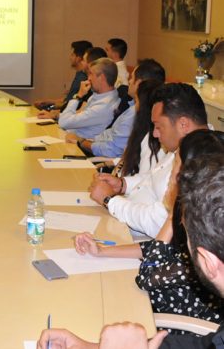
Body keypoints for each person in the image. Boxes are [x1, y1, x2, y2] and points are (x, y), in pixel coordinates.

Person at [38, 153, 224, 349]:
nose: (171, 183)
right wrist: (86, 347)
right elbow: (199, 345)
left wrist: (172, 215)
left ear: (209, 262)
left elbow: (148, 276)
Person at [74, 130, 224, 331]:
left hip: (172, 330)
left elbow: (147, 276)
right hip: (149, 309)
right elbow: (160, 250)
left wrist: (171, 214)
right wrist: (101, 251)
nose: (170, 179)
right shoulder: (195, 217)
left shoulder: (204, 236)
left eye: (174, 169)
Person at [89, 83, 208, 238]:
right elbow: (152, 178)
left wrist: (109, 200)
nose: (155, 134)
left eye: (158, 127)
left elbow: (158, 223)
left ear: (183, 124)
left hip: (139, 238)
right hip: (124, 220)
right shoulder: (183, 146)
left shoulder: (202, 163)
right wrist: (123, 185)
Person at [67, 58, 166, 158]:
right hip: (97, 147)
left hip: (104, 159)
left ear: (139, 84)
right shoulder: (132, 106)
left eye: (132, 78)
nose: (129, 81)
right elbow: (109, 135)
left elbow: (112, 150)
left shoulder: (136, 115)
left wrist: (82, 142)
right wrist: (84, 139)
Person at [37, 46, 106, 121]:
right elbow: (79, 109)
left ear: (91, 64)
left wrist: (56, 114)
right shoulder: (89, 84)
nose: (81, 62)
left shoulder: (90, 84)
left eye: (83, 60)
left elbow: (80, 115)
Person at [57, 58, 120, 139]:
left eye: (91, 74)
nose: (88, 78)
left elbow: (64, 123)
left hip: (75, 143)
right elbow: (75, 116)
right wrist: (57, 116)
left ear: (101, 77)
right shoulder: (100, 95)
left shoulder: (103, 106)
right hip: (69, 134)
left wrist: (78, 96)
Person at [33, 40, 92, 110]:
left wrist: (51, 108)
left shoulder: (83, 78)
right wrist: (49, 102)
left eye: (72, 55)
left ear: (78, 59)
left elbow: (72, 105)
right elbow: (68, 99)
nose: (70, 58)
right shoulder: (79, 75)